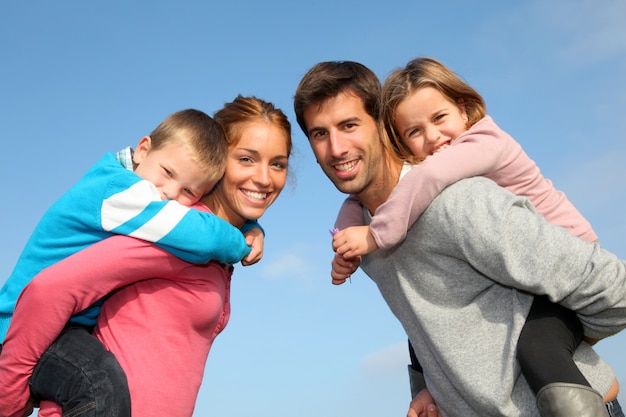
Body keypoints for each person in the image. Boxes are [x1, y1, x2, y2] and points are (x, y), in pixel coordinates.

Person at [293, 61, 626, 417]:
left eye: (349, 125)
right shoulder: (366, 234)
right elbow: (428, 317)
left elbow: (614, 288)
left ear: (382, 127)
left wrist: (568, 341)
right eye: (319, 134)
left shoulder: (458, 202)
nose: (337, 148)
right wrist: (432, 390)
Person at [0, 95, 291, 417]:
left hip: (71, 347)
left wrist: (252, 227)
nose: (264, 177)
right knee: (96, 383)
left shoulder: (180, 225)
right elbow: (48, 290)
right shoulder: (166, 227)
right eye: (247, 159)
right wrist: (8, 392)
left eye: (277, 163)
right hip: (24, 335)